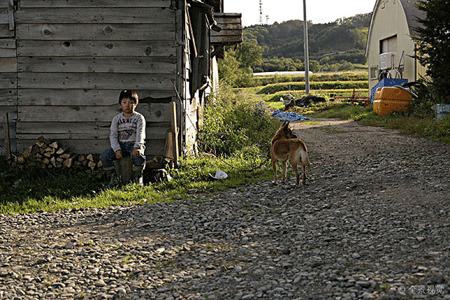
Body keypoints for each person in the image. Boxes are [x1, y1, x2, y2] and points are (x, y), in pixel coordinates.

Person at [100, 90, 146, 185]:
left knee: (139, 157)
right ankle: (113, 176)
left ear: (136, 104)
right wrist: (117, 149)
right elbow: (113, 135)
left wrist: (137, 146)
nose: (127, 105)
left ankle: (138, 175)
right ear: (120, 104)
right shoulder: (116, 119)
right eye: (124, 102)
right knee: (104, 156)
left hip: (134, 144)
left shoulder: (139, 118)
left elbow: (140, 133)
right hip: (121, 145)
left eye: (131, 103)